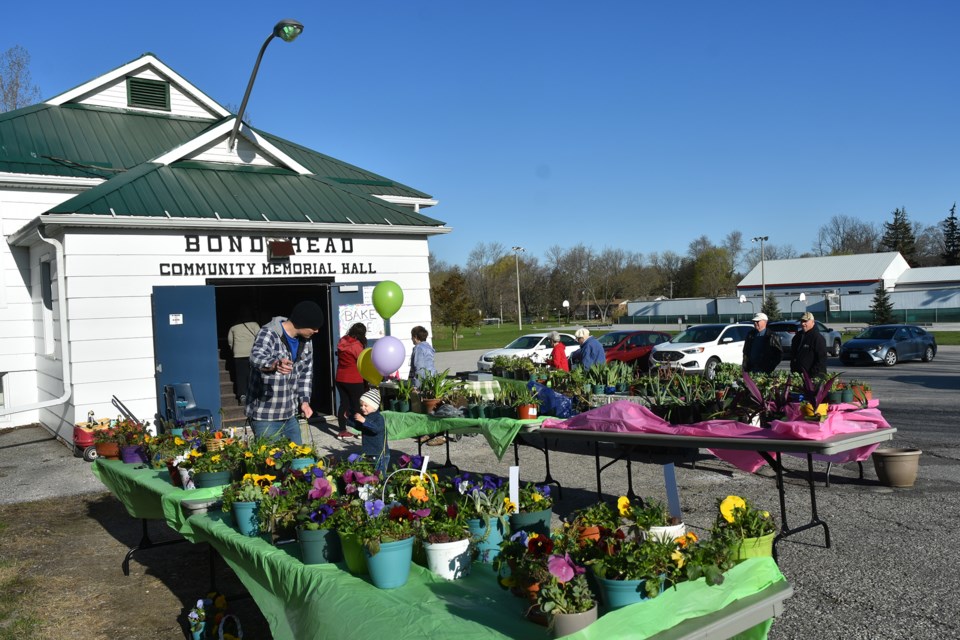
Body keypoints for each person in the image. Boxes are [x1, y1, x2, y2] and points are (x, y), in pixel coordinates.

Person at [245, 301, 323, 445]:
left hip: (290, 414)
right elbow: (256, 357)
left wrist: (304, 401)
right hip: (265, 415)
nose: (316, 331)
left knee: (298, 459)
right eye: (314, 327)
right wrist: (274, 364)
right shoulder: (269, 332)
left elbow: (306, 374)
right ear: (301, 322)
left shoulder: (306, 341)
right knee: (271, 463)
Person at [335, 322, 367, 440]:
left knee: (344, 404)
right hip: (354, 379)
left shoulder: (342, 341)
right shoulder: (357, 345)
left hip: (340, 378)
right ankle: (360, 431)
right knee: (357, 406)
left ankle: (342, 431)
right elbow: (362, 362)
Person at [227, 310, 260, 404]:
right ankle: (254, 395)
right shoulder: (254, 324)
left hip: (239, 354)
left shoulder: (233, 327)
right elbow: (260, 338)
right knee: (253, 374)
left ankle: (242, 396)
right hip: (252, 353)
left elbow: (230, 341)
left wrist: (235, 349)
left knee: (240, 376)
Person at [354, 388, 388, 476]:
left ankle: (381, 485)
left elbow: (376, 429)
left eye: (366, 405)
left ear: (375, 406)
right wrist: (351, 420)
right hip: (368, 450)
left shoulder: (379, 418)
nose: (362, 408)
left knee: (379, 473)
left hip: (378, 452)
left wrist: (364, 421)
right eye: (361, 405)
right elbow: (360, 427)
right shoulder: (367, 416)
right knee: (369, 471)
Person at [791, 312, 828, 379]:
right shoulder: (797, 337)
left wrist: (811, 376)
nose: (803, 324)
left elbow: (821, 360)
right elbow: (793, 356)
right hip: (798, 377)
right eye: (801, 321)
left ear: (812, 322)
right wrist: (793, 371)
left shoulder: (817, 338)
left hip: (813, 379)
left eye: (805, 321)